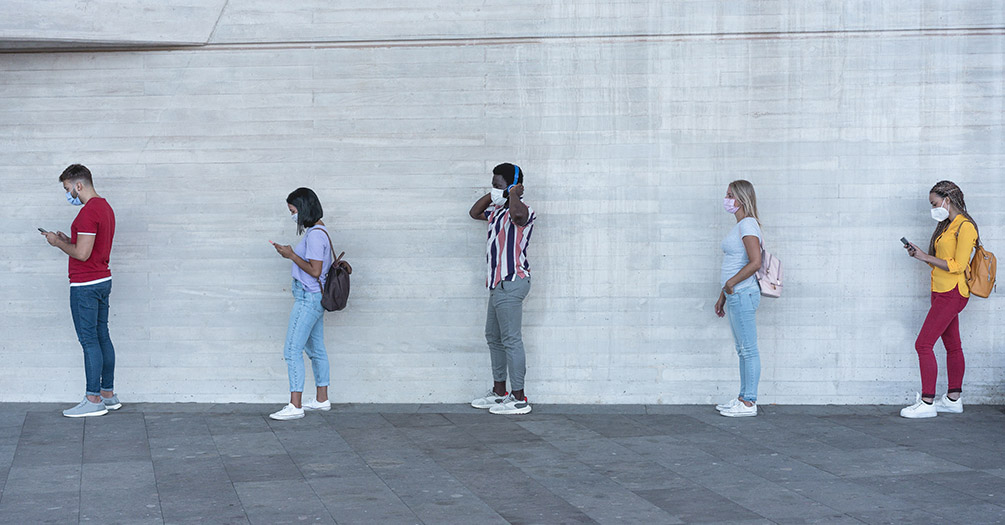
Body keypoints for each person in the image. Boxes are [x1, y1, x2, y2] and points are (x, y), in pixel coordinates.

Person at [41, 164, 121, 417]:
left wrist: (56, 244)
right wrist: (67, 241)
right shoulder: (105, 208)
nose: (68, 194)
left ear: (79, 185)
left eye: (67, 189)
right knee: (102, 337)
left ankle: (93, 399)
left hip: (85, 285)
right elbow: (89, 248)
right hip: (102, 280)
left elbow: (82, 254)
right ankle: (108, 395)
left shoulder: (88, 213)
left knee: (89, 341)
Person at [900, 181, 978, 418]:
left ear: (948, 199)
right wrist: (921, 256)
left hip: (952, 292)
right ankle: (954, 399)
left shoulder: (965, 227)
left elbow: (958, 265)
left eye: (935, 203)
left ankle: (927, 403)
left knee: (923, 344)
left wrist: (925, 257)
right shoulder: (948, 225)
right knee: (952, 345)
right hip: (941, 291)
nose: (933, 208)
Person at [468, 163, 536, 415]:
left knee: (510, 339)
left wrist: (514, 194)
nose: (494, 189)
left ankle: (518, 398)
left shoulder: (523, 210)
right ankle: (499, 393)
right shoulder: (496, 212)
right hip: (497, 283)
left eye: (498, 185)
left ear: (513, 186)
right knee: (493, 337)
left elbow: (519, 217)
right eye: (493, 185)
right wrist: (495, 194)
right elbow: (474, 213)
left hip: (512, 281)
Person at [269, 188, 333, 421]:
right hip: (314, 298)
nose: (292, 216)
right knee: (316, 350)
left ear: (304, 208)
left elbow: (315, 271)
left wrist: (291, 255)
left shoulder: (315, 234)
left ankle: (295, 405)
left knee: (292, 350)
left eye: (293, 211)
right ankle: (321, 399)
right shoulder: (320, 231)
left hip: (308, 298)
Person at [714, 180, 763, 418]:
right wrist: (722, 295)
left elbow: (755, 263)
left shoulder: (748, 225)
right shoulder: (741, 225)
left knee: (749, 350)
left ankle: (748, 402)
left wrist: (731, 285)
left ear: (742, 199)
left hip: (743, 293)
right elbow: (733, 264)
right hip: (735, 294)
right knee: (742, 350)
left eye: (730, 195)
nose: (727, 199)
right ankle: (743, 397)